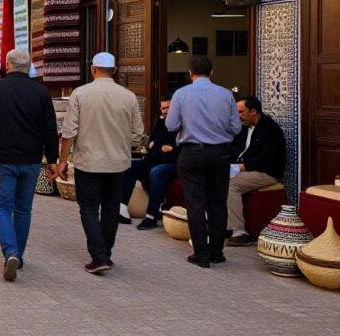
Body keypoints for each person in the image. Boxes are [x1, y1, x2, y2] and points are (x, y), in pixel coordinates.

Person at [0, 49, 58, 282]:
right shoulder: (41, 92)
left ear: (7, 66)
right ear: (28, 66)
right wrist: (52, 160)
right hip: (30, 160)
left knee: (1, 207)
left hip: (2, 159)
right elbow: (50, 130)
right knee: (23, 209)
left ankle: (10, 251)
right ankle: (18, 254)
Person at [55, 53, 143, 274]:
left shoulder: (81, 94)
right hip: (118, 163)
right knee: (112, 208)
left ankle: (99, 255)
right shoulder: (128, 96)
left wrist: (63, 160)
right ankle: (106, 253)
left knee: (88, 208)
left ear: (93, 69)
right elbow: (138, 134)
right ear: (114, 70)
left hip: (88, 162)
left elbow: (69, 132)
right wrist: (123, 146)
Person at [166, 55, 242, 268]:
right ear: (212, 72)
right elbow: (236, 128)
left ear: (190, 73)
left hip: (191, 153)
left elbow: (171, 125)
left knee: (195, 203)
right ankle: (217, 252)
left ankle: (201, 254)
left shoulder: (181, 94)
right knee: (218, 203)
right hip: (220, 153)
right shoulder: (226, 94)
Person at [225, 96, 287, 246]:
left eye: (241, 112)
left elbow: (267, 158)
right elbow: (235, 149)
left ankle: (239, 231)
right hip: (245, 169)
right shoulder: (244, 128)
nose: (238, 116)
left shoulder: (270, 129)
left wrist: (241, 167)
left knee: (230, 185)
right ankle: (219, 224)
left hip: (266, 172)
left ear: (254, 111)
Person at [121, 95, 179, 230]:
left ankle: (151, 217)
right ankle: (121, 208)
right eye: (163, 108)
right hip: (154, 160)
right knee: (130, 165)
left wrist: (167, 148)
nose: (165, 111)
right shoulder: (160, 122)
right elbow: (151, 144)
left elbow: (176, 148)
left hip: (174, 163)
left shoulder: (182, 123)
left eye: (168, 108)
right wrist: (160, 146)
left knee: (155, 172)